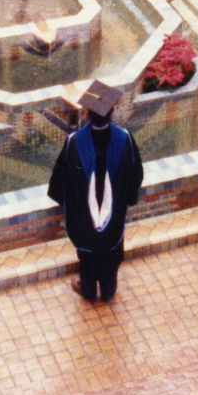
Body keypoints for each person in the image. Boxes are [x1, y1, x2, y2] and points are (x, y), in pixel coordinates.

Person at [47, 80, 144, 303]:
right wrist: (126, 199)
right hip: (113, 216)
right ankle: (109, 290)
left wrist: (68, 204)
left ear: (88, 113)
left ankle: (89, 290)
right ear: (112, 111)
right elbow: (136, 174)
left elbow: (61, 179)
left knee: (87, 252)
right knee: (111, 248)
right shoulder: (125, 139)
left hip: (84, 218)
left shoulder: (74, 143)